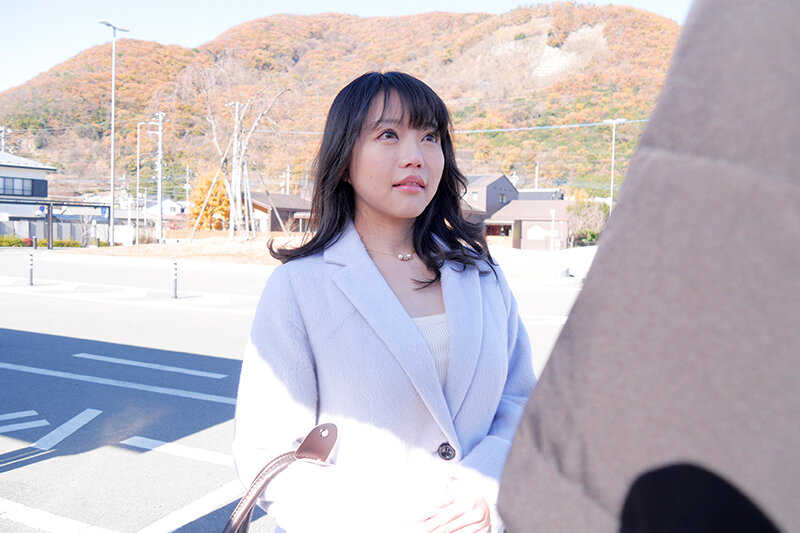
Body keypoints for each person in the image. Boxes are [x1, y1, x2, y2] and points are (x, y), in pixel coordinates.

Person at [233, 71, 536, 533]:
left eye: (430, 137)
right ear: (344, 160)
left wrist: (486, 490)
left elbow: (520, 405)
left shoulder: (482, 277)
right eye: (388, 135)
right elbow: (267, 448)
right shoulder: (300, 287)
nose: (415, 156)